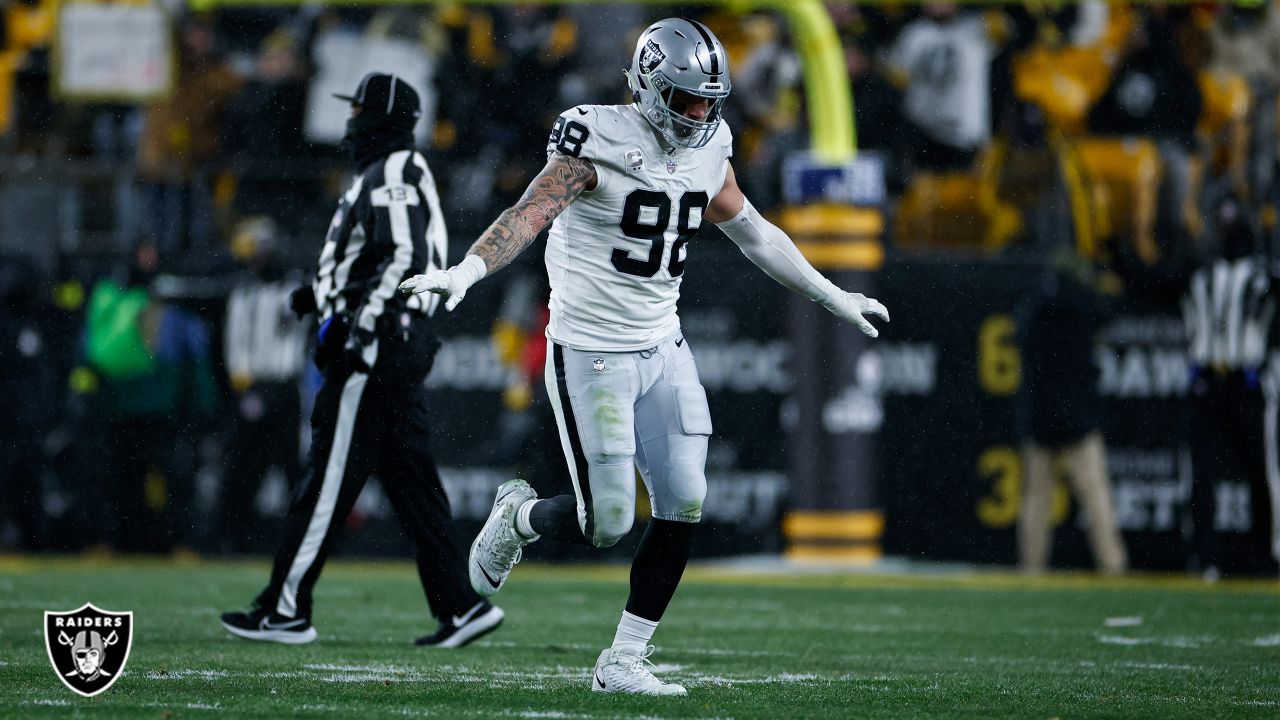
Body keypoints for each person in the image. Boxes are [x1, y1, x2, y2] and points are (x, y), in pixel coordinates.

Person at [400, 19, 888, 695]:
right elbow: (529, 212)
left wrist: (832, 293)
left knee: (685, 499)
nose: (698, 114)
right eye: (685, 100)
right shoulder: (594, 133)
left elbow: (751, 230)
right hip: (591, 350)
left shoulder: (712, 141)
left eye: (706, 102)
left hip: (663, 343)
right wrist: (464, 272)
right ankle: (517, 518)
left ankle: (623, 661)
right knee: (607, 523)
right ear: (651, 86)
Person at [220, 72, 503, 648]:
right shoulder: (385, 172)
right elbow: (373, 258)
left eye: (357, 111)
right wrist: (319, 296)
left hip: (376, 350)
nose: (348, 123)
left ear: (379, 118)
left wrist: (358, 332)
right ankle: (459, 606)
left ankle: (285, 608)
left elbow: (402, 257)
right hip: (390, 347)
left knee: (326, 477)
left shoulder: (395, 170)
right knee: (413, 486)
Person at [1016, 247, 1128, 577]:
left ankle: (1031, 569)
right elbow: (1111, 310)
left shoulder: (1034, 306)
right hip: (1078, 417)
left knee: (1036, 501)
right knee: (1096, 498)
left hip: (1041, 416)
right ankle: (1112, 565)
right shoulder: (1084, 304)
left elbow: (1021, 335)